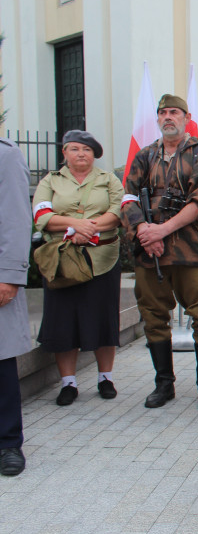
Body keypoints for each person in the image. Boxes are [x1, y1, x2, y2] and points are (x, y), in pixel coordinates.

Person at [121, 93, 198, 410]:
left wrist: (162, 229)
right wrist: (143, 231)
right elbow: (127, 198)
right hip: (150, 253)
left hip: (189, 251)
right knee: (153, 317)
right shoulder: (144, 156)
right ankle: (164, 384)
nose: (168, 117)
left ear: (186, 117)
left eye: (174, 112)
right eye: (163, 112)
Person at [32, 131, 124, 405]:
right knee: (63, 322)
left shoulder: (108, 179)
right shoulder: (51, 180)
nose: (81, 154)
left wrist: (88, 229)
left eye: (86, 149)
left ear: (94, 154)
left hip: (102, 260)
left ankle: (105, 378)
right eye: (74, 149)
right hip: (62, 262)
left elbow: (118, 211)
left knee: (103, 319)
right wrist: (76, 226)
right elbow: (41, 215)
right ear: (65, 153)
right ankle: (68, 383)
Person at [0, 137, 31, 477]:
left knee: (1, 362)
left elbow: (15, 219)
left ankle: (8, 442)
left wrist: (9, 275)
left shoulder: (5, 156)